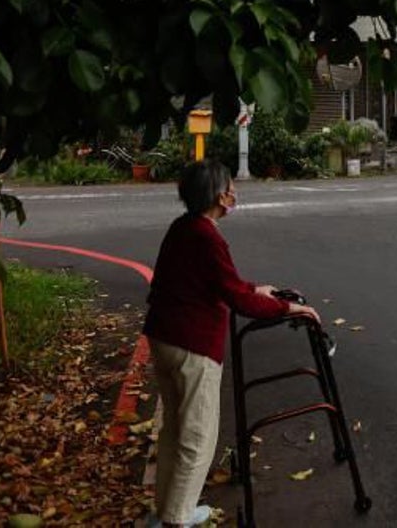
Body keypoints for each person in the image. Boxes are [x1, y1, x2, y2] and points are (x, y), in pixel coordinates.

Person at [143, 160, 317, 527]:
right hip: (192, 345)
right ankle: (177, 519)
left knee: (174, 430)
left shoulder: (184, 228)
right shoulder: (207, 235)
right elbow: (236, 299)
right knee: (198, 436)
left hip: (164, 337)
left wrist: (257, 289)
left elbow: (224, 283)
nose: (234, 192)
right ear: (219, 196)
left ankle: (165, 512)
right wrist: (289, 307)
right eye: (230, 187)